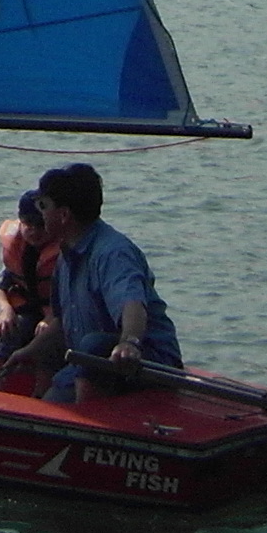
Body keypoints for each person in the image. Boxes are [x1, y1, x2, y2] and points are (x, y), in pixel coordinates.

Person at [33, 161, 180, 404]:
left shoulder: (112, 253)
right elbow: (60, 320)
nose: (40, 213)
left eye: (43, 206)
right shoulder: (66, 255)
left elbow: (132, 304)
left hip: (146, 360)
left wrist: (129, 342)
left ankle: (87, 420)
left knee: (93, 345)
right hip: (89, 362)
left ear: (64, 214)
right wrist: (28, 351)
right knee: (54, 393)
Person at [0, 184, 63, 388]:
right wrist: (5, 309)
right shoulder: (16, 248)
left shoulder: (64, 253)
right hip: (26, 310)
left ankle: (41, 394)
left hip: (56, 317)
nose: (34, 231)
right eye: (29, 224)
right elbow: (0, 287)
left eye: (40, 225)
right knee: (6, 329)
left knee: (47, 340)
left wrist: (50, 319)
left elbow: (71, 298)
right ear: (20, 222)